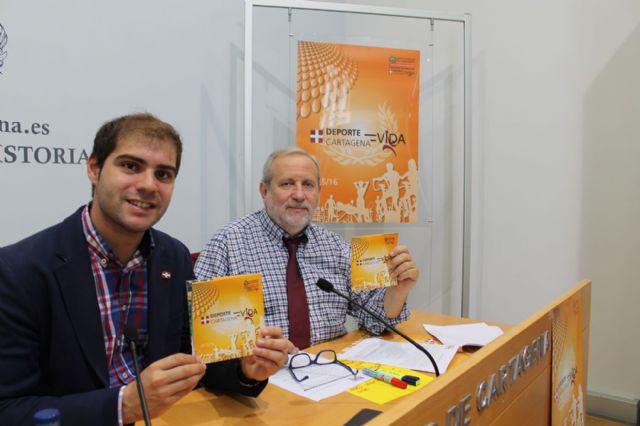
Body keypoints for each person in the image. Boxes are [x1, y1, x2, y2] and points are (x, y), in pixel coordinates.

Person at [0, 113, 290, 426]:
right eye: (131, 166)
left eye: (163, 174)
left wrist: (245, 369)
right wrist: (122, 405)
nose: (148, 185)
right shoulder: (18, 272)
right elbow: (8, 408)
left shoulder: (174, 258)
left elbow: (194, 356)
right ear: (94, 168)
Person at [194, 147, 420, 350]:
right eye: (287, 184)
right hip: (260, 376)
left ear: (319, 193)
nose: (299, 195)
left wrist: (398, 291)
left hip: (329, 368)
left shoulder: (336, 247)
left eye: (308, 185)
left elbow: (375, 319)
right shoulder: (228, 244)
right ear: (264, 191)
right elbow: (202, 338)